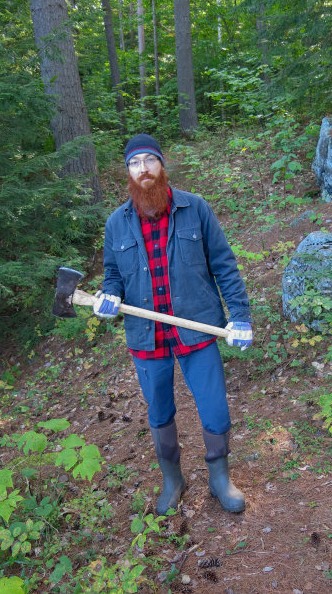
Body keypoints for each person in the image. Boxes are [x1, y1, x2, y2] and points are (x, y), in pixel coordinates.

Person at [94, 134, 253, 514]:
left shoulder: (195, 209)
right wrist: (108, 295)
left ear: (163, 165)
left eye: (150, 160)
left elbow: (224, 265)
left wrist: (241, 315)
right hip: (147, 338)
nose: (143, 169)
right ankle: (173, 479)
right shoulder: (117, 223)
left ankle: (219, 478)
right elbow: (113, 274)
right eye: (135, 163)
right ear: (128, 172)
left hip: (196, 330)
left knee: (214, 407)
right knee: (160, 411)